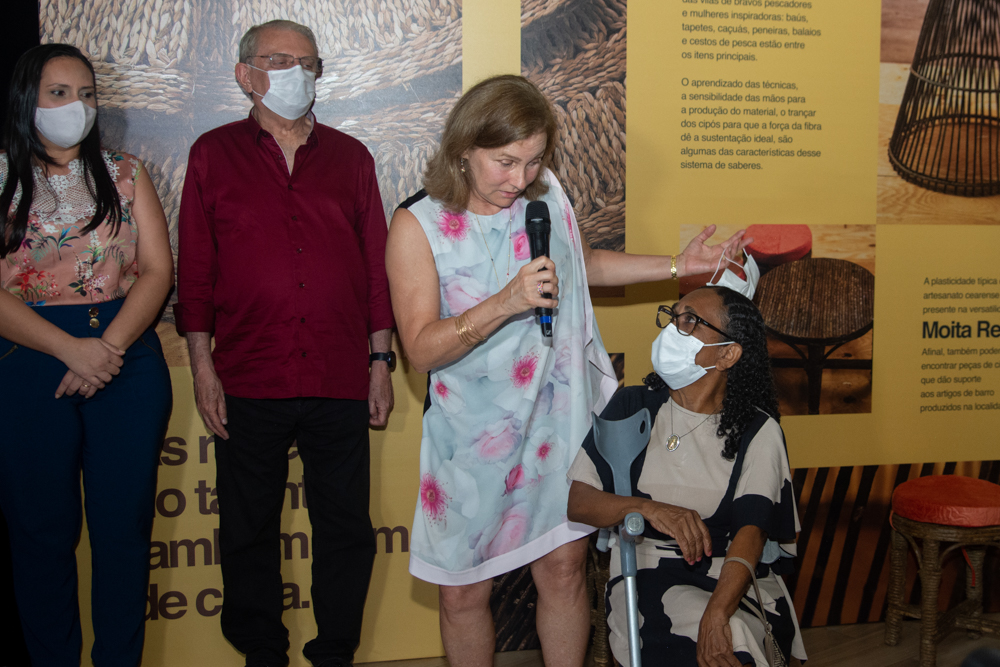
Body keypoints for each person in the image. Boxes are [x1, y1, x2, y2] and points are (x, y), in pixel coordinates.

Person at [385, 74, 749, 667]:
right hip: (470, 437)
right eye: (505, 162)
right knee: (463, 592)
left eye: (532, 161)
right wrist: (505, 302)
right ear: (462, 151)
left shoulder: (545, 193)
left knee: (563, 567)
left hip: (557, 418)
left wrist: (679, 263)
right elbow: (422, 350)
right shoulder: (417, 225)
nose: (520, 179)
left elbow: (581, 267)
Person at [175, 19, 395, 667]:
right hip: (247, 375)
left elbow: (376, 267)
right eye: (278, 59)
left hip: (338, 375)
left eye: (306, 61)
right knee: (246, 531)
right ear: (246, 74)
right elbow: (196, 271)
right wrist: (203, 367)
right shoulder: (213, 153)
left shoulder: (351, 158)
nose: (296, 72)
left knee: (346, 531)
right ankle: (261, 653)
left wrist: (380, 361)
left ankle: (335, 653)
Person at [0, 44, 174, 665]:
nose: (77, 106)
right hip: (30, 364)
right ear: (28, 100)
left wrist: (106, 348)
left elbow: (156, 272)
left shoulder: (126, 173)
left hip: (126, 364)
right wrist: (71, 350)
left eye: (87, 94)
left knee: (123, 535)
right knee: (41, 536)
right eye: (59, 94)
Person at [567, 287, 807, 667]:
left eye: (691, 320)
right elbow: (579, 502)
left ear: (728, 353)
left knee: (736, 636)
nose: (673, 329)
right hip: (643, 571)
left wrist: (717, 613)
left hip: (733, 578)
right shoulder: (632, 405)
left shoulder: (757, 430)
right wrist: (647, 508)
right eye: (675, 315)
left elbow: (752, 531)